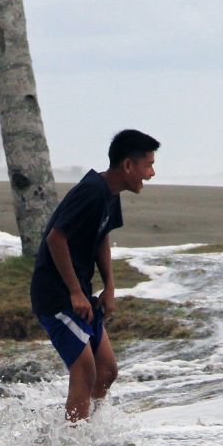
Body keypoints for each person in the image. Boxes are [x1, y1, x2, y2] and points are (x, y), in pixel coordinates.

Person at [30, 129, 159, 422]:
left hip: (80, 293)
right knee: (85, 371)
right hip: (56, 296)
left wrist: (110, 287)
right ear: (128, 165)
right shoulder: (92, 190)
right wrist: (75, 292)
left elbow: (102, 237)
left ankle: (91, 429)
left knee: (108, 370)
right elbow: (56, 238)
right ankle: (73, 441)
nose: (151, 173)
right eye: (148, 165)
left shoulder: (110, 195)